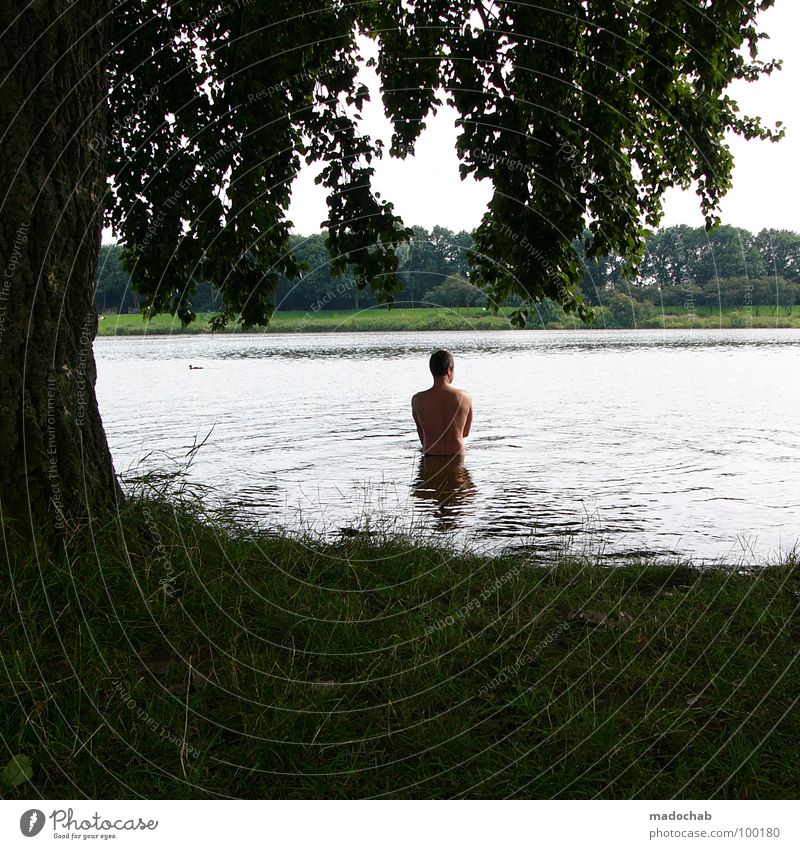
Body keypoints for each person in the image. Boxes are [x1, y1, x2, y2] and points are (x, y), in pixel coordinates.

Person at [411, 349, 473, 455]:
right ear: (449, 370)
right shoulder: (465, 397)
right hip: (457, 455)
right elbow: (465, 433)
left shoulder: (417, 399)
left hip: (431, 454)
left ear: (432, 370)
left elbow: (422, 436)